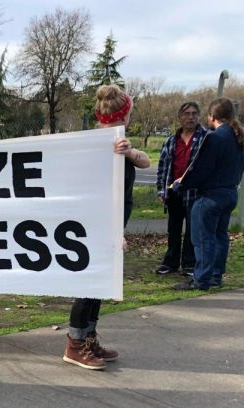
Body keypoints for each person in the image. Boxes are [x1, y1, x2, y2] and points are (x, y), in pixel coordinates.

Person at [64, 84, 150, 370]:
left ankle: (88, 338)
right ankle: (75, 344)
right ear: (125, 115)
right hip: (97, 225)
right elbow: (96, 194)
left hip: (110, 223)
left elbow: (145, 161)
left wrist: (130, 154)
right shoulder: (97, 146)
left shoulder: (120, 144)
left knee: (99, 283)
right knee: (89, 284)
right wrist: (113, 231)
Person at [172, 97, 244, 291]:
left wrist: (181, 185)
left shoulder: (214, 138)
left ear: (211, 116)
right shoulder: (241, 139)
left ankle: (201, 279)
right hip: (230, 192)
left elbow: (202, 168)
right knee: (220, 236)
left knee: (202, 238)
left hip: (210, 196)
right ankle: (216, 275)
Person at [155, 101, 207, 276]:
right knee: (174, 229)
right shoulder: (171, 141)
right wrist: (161, 190)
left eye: (194, 114)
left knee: (193, 229)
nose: (190, 117)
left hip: (195, 192)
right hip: (173, 192)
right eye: (187, 114)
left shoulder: (206, 138)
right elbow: (162, 166)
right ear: (180, 117)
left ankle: (189, 264)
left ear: (199, 116)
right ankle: (170, 263)